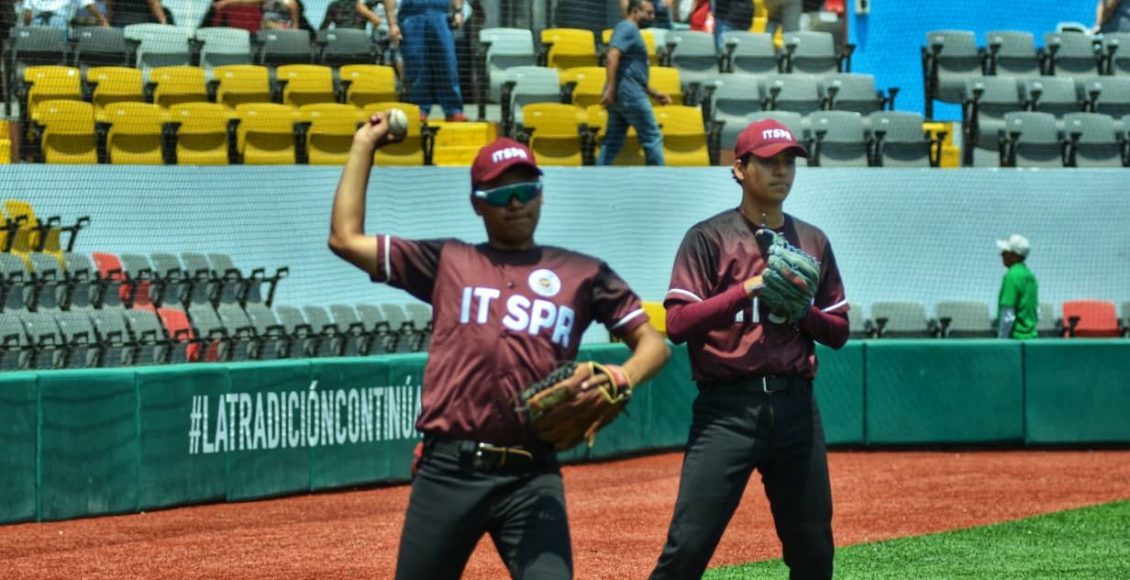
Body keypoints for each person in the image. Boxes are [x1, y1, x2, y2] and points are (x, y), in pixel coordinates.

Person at [328, 115, 670, 579]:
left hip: (532, 476)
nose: (514, 203)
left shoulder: (582, 273)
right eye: (499, 193)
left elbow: (653, 344)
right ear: (476, 203)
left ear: (541, 194)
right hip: (448, 471)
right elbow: (345, 239)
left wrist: (623, 375)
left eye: (525, 190)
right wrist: (365, 143)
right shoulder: (448, 261)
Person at [650, 118, 848, 580]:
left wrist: (801, 311)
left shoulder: (813, 241)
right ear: (739, 168)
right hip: (727, 411)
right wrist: (748, 289)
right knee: (687, 548)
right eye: (769, 161)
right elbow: (677, 324)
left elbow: (838, 331)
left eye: (789, 162)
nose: (782, 171)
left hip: (796, 408)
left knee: (814, 554)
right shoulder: (708, 237)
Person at [599, 0, 669, 166]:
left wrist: (654, 93)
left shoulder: (630, 30)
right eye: (649, 13)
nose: (653, 17)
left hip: (623, 95)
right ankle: (659, 177)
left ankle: (598, 174)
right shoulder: (627, 28)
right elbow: (612, 56)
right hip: (631, 96)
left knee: (612, 142)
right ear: (635, 12)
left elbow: (633, 72)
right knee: (652, 137)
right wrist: (610, 89)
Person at [394, 0, 466, 121]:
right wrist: (392, 24)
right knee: (416, 65)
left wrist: (458, 11)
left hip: (440, 14)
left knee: (447, 63)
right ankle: (418, 109)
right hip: (412, 16)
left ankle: (453, 110)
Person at [996, 234, 1039, 340]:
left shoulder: (1011, 275)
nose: (1001, 254)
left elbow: (1008, 315)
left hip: (1015, 340)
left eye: (1006, 251)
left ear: (1015, 255)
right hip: (1033, 340)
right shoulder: (1030, 276)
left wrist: (1002, 340)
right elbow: (1037, 312)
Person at [22, 0, 108, 29]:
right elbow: (89, 5)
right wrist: (102, 20)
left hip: (36, 25)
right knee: (58, 54)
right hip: (59, 24)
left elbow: (27, 13)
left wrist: (26, 29)